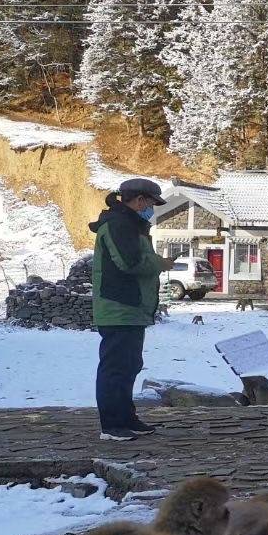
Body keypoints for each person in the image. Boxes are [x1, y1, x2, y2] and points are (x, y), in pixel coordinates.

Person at [90, 178, 175, 441]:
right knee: (116, 367)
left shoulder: (130, 224)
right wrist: (159, 263)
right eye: (151, 203)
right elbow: (130, 262)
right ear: (139, 200)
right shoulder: (118, 224)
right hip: (119, 307)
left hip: (130, 309)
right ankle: (113, 425)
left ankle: (126, 418)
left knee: (129, 365)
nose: (152, 209)